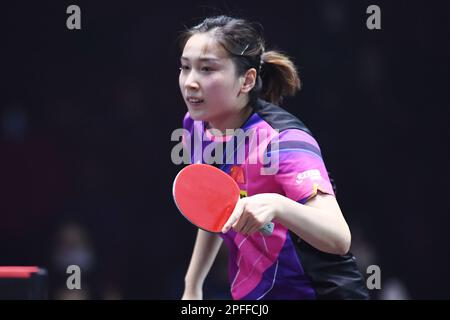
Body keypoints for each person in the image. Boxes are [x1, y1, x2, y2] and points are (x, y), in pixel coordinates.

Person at [177, 15, 369, 300]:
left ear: (247, 80)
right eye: (185, 68)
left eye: (207, 69)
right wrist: (193, 285)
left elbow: (339, 238)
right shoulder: (197, 127)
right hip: (259, 295)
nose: (190, 82)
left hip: (320, 292)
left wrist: (278, 205)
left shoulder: (282, 140)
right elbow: (216, 207)